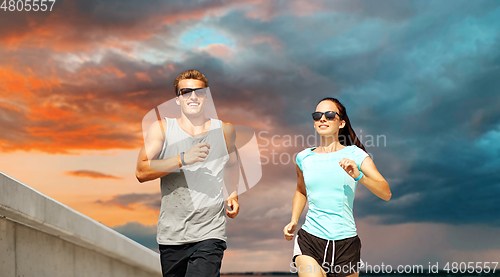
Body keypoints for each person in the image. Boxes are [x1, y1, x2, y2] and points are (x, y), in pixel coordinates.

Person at [135, 69, 240, 277]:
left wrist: (232, 193)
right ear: (178, 98)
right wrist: (182, 159)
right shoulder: (162, 130)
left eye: (199, 92)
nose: (193, 96)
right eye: (186, 92)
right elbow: (141, 171)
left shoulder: (225, 131)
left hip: (210, 232)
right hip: (172, 236)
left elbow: (231, 164)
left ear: (206, 96)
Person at [283, 97, 391, 277]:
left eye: (329, 114)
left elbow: (386, 192)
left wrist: (359, 176)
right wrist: (294, 220)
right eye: (317, 115)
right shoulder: (303, 158)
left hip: (346, 245)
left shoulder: (356, 154)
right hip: (310, 240)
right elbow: (301, 191)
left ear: (341, 123)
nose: (322, 119)